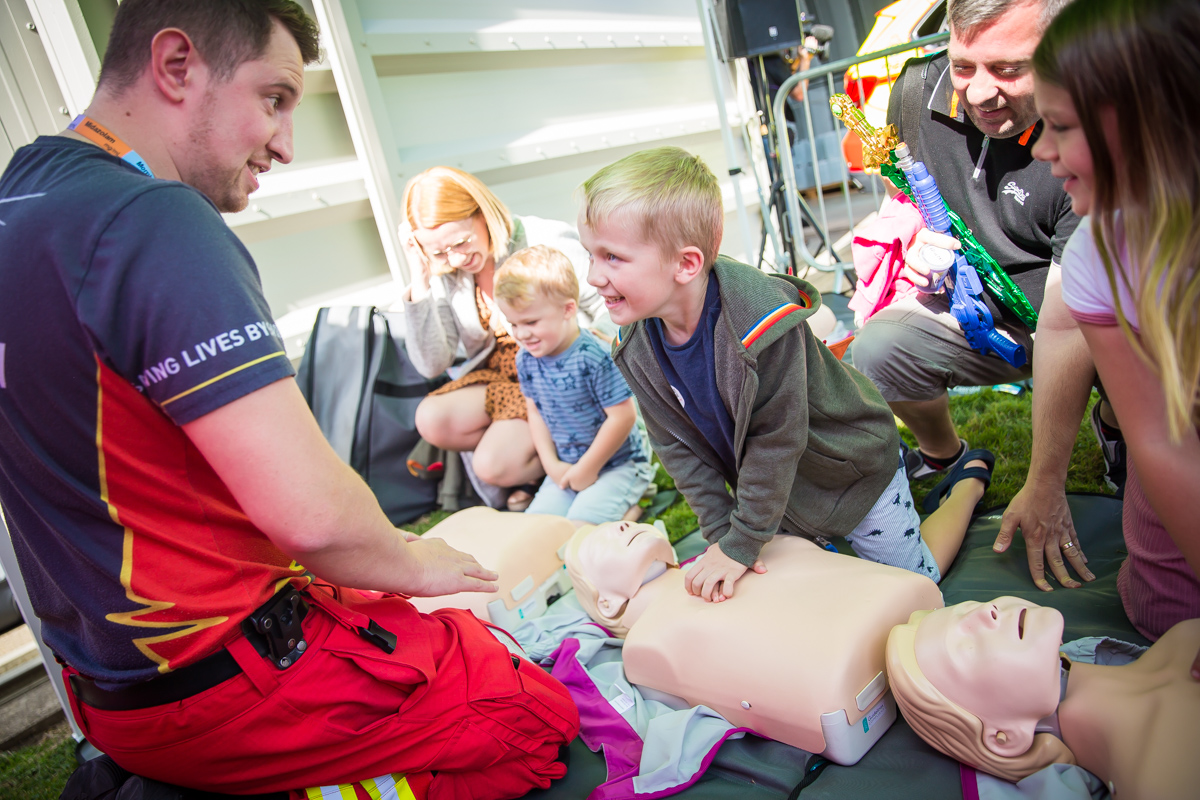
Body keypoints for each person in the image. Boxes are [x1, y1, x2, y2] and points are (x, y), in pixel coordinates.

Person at [0, 2, 578, 797]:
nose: (286, 143)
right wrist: (415, 560)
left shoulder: (24, 192)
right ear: (176, 66)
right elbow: (313, 514)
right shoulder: (154, 222)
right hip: (230, 685)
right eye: (273, 98)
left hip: (111, 694)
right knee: (526, 718)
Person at [580, 146, 995, 603]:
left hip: (848, 470)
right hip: (779, 492)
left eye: (612, 258)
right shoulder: (634, 347)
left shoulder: (761, 323)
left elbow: (776, 440)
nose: (594, 277)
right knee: (813, 592)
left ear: (686, 264)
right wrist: (723, 535)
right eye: (591, 256)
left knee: (914, 587)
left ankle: (967, 482)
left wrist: (743, 539)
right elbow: (676, 448)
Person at [848, 0, 1115, 595]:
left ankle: (1116, 428)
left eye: (1010, 69)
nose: (980, 93)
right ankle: (951, 459)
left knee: (1129, 370)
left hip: (1083, 316)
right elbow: (908, 185)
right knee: (877, 350)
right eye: (964, 66)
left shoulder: (1092, 130)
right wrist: (922, 241)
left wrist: (1046, 482)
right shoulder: (916, 92)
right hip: (979, 309)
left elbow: (1069, 322)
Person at [1029, 0, 1200, 677]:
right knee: (1170, 619)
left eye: (1060, 127)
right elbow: (1158, 441)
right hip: (1175, 533)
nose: (1041, 150)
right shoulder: (1103, 253)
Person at [398, 167, 613, 511]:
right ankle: (537, 467)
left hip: (560, 369)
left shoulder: (545, 239)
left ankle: (580, 459)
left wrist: (587, 360)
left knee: (490, 465)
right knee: (431, 418)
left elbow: (609, 306)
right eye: (439, 253)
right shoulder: (446, 270)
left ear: (484, 214)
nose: (454, 259)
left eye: (460, 242)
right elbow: (431, 364)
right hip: (508, 376)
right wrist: (420, 276)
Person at [886, 598, 1200, 797]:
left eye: (970, 606)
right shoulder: (1160, 783)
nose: (988, 610)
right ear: (1004, 737)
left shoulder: (1182, 642)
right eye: (964, 647)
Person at [493, 245, 654, 525]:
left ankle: (636, 504)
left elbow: (623, 416)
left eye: (530, 322)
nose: (521, 334)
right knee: (535, 528)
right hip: (567, 464)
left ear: (568, 309)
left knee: (581, 526)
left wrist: (588, 469)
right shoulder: (526, 359)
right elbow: (535, 412)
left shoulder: (593, 356)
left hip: (619, 465)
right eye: (514, 324)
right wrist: (551, 464)